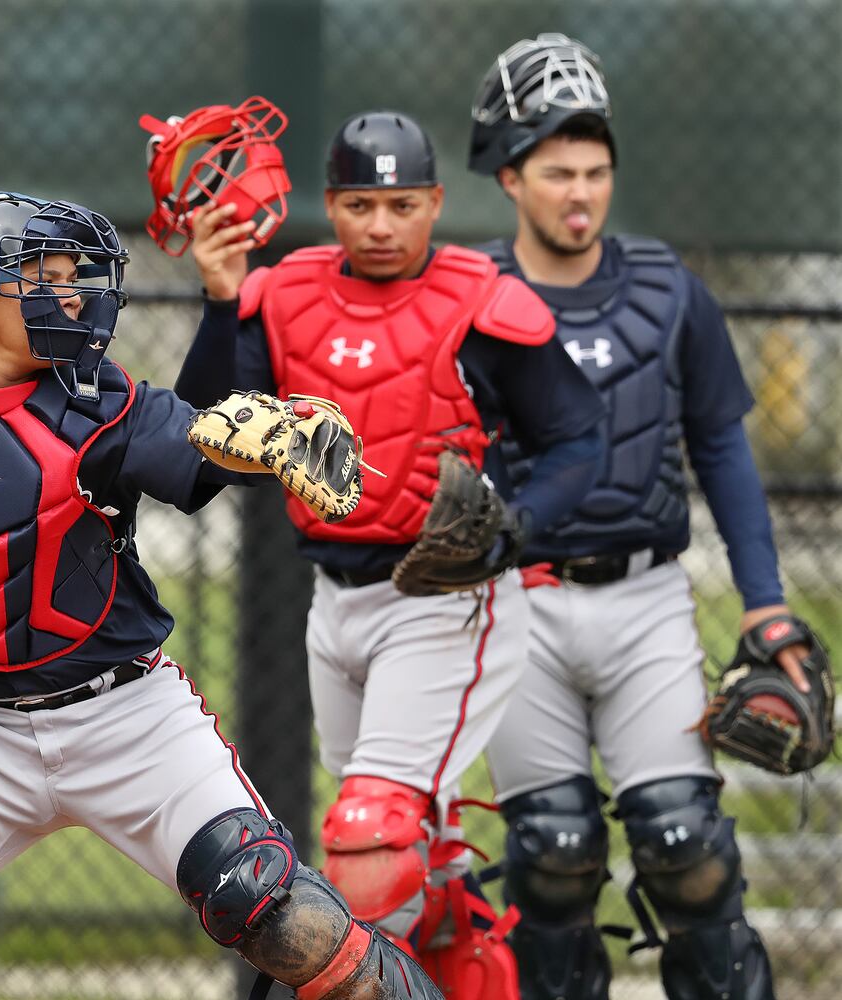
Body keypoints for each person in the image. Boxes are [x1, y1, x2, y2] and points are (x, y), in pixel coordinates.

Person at [0, 128, 448, 1000]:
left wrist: (259, 442)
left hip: (128, 719)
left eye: (76, 281)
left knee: (280, 914)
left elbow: (198, 450)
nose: (74, 300)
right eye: (48, 281)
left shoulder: (104, 403)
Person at [172, 109, 607, 996]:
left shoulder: (480, 298)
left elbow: (578, 440)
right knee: (403, 851)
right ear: (330, 205)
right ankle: (467, 962)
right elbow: (201, 441)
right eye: (361, 204)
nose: (380, 225)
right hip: (333, 602)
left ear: (436, 204)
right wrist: (221, 299)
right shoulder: (280, 294)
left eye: (402, 204)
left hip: (447, 599)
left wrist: (512, 529)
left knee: (370, 838)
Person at [467, 33, 806, 1000]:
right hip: (518, 602)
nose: (581, 192)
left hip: (646, 597)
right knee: (553, 854)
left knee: (684, 843)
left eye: (597, 172)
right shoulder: (468, 297)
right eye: (558, 172)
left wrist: (765, 602)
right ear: (511, 178)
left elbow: (725, 452)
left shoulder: (668, 292)